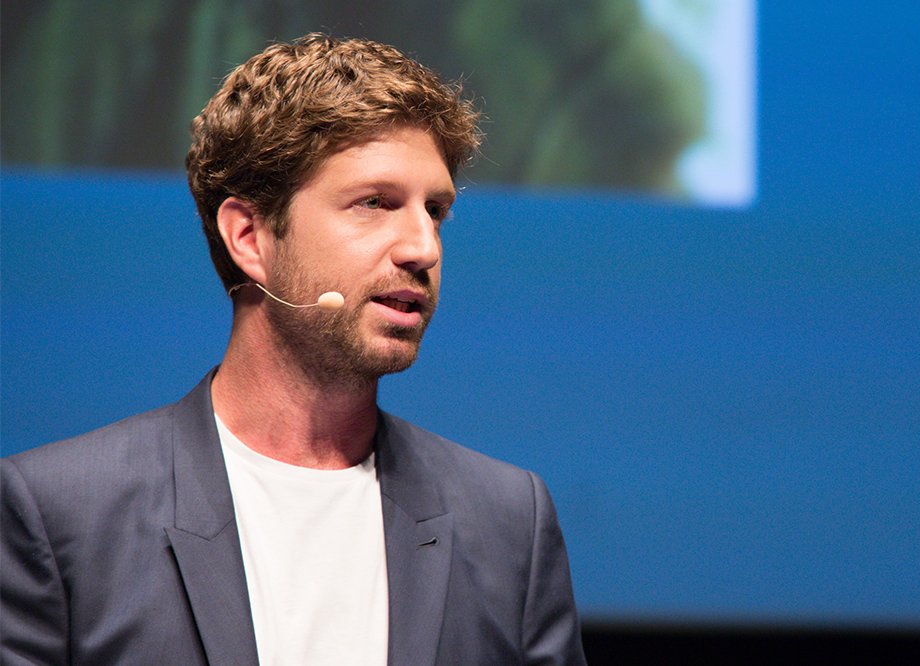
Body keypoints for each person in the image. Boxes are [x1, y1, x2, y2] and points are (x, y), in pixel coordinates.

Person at [1, 34, 586, 665]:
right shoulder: (61, 514)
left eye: (435, 210)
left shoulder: (508, 524)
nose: (424, 248)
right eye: (375, 203)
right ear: (250, 238)